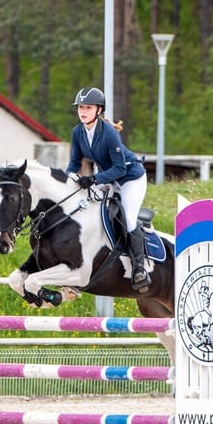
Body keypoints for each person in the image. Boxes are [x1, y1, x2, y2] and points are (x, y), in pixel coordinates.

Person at [65, 86, 151, 291]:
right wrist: (67, 180)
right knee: (87, 206)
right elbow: (74, 162)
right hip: (109, 177)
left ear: (99, 110)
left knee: (129, 218)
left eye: (88, 107)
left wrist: (93, 179)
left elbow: (120, 168)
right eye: (80, 107)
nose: (83, 111)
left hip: (130, 178)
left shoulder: (109, 133)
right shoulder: (77, 132)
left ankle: (139, 269)